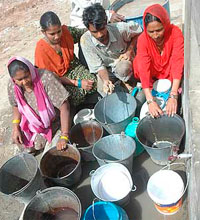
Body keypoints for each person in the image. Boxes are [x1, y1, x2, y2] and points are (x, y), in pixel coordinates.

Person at [7, 56, 70, 152]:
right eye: (20, 80)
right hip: (32, 123)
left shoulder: (45, 78)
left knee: (55, 150)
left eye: (26, 76)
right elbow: (15, 105)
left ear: (31, 70)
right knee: (20, 140)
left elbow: (64, 106)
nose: (24, 82)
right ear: (13, 79)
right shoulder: (13, 85)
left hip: (53, 121)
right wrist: (16, 127)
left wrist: (64, 135)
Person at [35, 11, 97, 107]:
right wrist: (77, 83)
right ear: (44, 32)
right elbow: (48, 77)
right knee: (68, 98)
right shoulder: (41, 49)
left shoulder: (67, 32)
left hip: (74, 68)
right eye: (52, 34)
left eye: (59, 31)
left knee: (93, 82)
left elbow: (84, 33)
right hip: (57, 79)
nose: (57, 36)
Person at [133, 4, 184, 118]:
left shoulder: (175, 33)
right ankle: (151, 87)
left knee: (179, 68)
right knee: (138, 63)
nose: (155, 35)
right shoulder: (143, 39)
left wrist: (173, 95)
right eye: (151, 32)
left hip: (168, 70)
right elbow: (144, 68)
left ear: (165, 24)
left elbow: (177, 61)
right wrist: (150, 100)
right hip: (153, 72)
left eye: (159, 30)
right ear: (146, 30)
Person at [81, 3, 142, 96]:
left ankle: (129, 82)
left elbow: (140, 31)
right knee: (103, 90)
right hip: (107, 70)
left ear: (106, 23)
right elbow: (99, 67)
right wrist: (106, 81)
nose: (100, 34)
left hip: (122, 64)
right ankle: (120, 84)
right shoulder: (85, 41)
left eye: (102, 29)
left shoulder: (120, 28)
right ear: (88, 29)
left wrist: (130, 50)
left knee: (124, 69)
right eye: (94, 32)